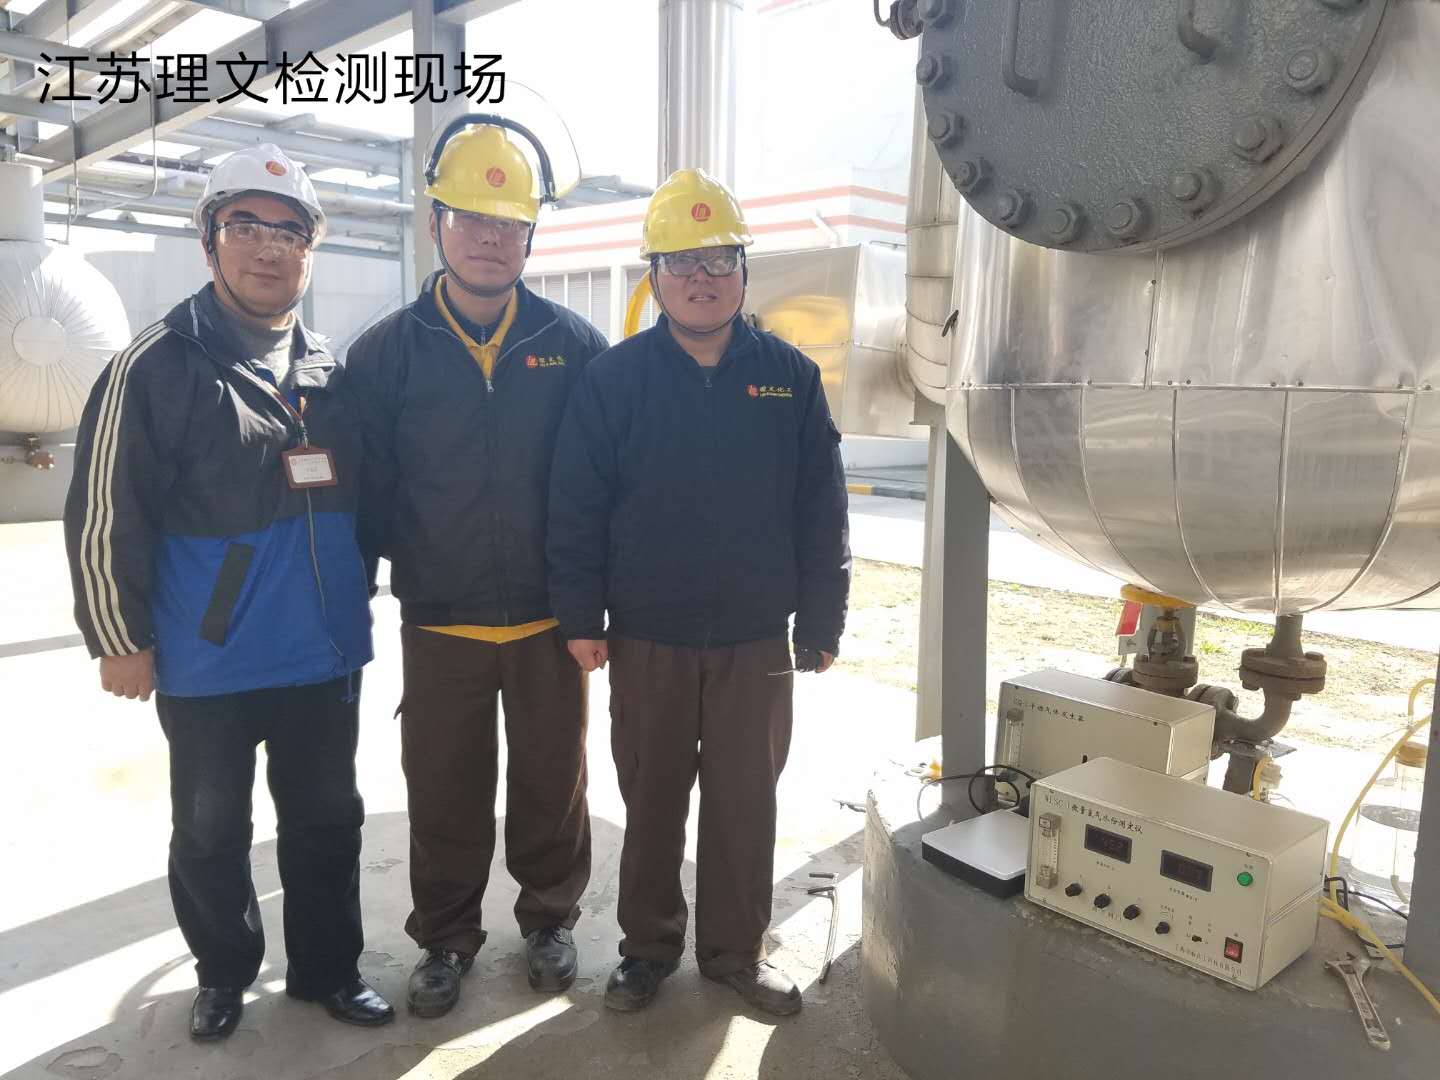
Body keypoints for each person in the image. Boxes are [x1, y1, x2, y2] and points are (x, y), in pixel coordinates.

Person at [62, 144, 393, 1041]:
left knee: (328, 820)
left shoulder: (328, 370)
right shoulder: (156, 364)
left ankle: (327, 969)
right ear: (209, 240)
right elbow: (104, 509)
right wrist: (117, 636)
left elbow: (374, 500)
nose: (268, 247)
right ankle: (222, 973)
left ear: (309, 252)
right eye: (245, 225)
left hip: (322, 653)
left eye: (290, 232)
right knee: (210, 831)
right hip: (209, 655)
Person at [547, 168, 851, 1016]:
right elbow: (576, 505)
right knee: (651, 804)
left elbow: (821, 508)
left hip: (756, 640)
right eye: (682, 261)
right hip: (648, 636)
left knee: (745, 806)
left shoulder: (789, 376)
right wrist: (581, 615)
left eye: (720, 258)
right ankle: (647, 949)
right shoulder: (614, 379)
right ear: (654, 276)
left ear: (744, 270)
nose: (702, 277)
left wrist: (822, 618)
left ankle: (733, 952)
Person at [343, 117, 607, 1019]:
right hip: (440, 618)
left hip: (548, 620)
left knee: (552, 783)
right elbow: (366, 492)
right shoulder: (387, 351)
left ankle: (550, 919)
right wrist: (358, 599)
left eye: (509, 224)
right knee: (445, 790)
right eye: (471, 219)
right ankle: (447, 937)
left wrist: (595, 603)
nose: (491, 239)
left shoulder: (574, 346)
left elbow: (601, 485)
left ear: (531, 236)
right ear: (435, 224)